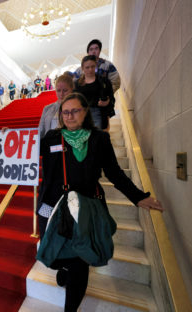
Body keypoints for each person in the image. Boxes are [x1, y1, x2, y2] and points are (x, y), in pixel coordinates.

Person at [38, 92, 163, 312]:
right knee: (55, 255)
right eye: (65, 112)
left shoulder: (99, 139)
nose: (69, 116)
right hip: (56, 207)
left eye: (75, 111)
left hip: (87, 209)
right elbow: (28, 159)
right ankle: (65, 269)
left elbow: (115, 173)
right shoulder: (51, 138)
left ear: (85, 112)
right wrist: (7, 140)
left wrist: (138, 197)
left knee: (80, 261)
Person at [74, 55, 114, 130]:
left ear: (96, 66)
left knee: (96, 138)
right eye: (87, 67)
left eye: (93, 66)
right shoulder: (77, 84)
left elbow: (111, 97)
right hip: (82, 114)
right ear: (82, 68)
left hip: (98, 113)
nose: (90, 69)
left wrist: (107, 102)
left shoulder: (103, 81)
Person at [38, 74, 74, 139]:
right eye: (58, 90)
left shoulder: (77, 109)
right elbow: (40, 131)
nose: (61, 94)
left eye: (65, 90)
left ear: (72, 89)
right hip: (49, 145)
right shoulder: (47, 108)